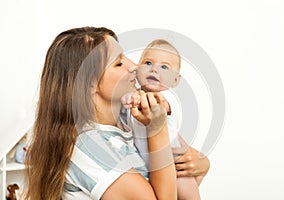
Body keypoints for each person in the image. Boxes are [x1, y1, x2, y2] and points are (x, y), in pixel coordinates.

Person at [24, 27, 177, 200]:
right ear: (89, 84)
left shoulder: (124, 118)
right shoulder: (89, 147)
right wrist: (157, 128)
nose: (134, 66)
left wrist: (201, 164)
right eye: (119, 63)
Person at [121, 39, 206, 200]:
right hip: (146, 167)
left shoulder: (168, 96)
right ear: (137, 69)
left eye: (164, 67)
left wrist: (138, 99)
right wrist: (129, 98)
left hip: (174, 165)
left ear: (175, 80)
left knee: (189, 193)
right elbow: (125, 100)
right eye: (147, 63)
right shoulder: (134, 93)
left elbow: (162, 106)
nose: (154, 69)